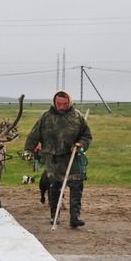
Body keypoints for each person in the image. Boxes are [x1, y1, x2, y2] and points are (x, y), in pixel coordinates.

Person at [24, 90, 92, 227]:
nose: (62, 107)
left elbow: (87, 136)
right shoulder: (46, 117)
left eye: (65, 104)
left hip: (73, 158)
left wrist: (80, 144)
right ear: (54, 103)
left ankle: (75, 217)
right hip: (53, 158)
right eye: (59, 104)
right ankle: (54, 215)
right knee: (54, 187)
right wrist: (29, 150)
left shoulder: (77, 117)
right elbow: (34, 134)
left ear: (69, 103)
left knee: (76, 186)